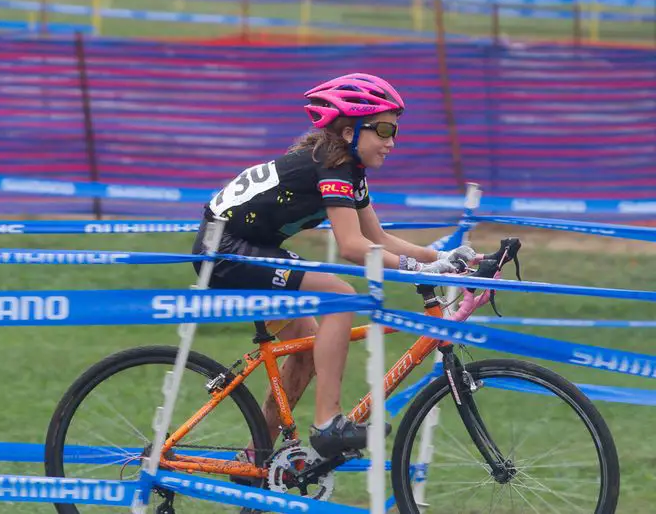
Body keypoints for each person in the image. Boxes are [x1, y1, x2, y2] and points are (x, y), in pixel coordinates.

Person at [191, 72, 476, 461]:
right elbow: (352, 247)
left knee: (307, 349)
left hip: (250, 246)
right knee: (340, 297)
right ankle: (327, 422)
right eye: (384, 130)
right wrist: (415, 268)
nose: (392, 142)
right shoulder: (334, 166)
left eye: (395, 131)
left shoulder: (347, 167)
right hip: (225, 250)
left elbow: (379, 238)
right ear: (348, 131)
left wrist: (440, 259)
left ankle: (255, 457)